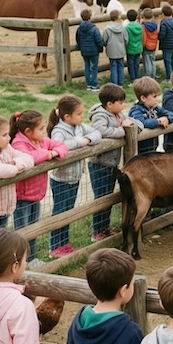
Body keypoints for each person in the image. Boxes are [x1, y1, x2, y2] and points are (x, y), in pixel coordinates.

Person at [10, 109, 68, 267]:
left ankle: (31, 258)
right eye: (41, 128)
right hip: (22, 196)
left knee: (33, 229)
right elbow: (29, 157)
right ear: (28, 131)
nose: (44, 131)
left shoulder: (41, 141)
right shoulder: (18, 143)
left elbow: (62, 145)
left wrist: (55, 152)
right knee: (22, 231)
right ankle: (20, 260)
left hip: (36, 194)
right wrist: (49, 154)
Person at [48, 95, 102, 258]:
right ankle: (55, 246)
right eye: (79, 114)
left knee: (68, 211)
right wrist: (81, 142)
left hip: (75, 177)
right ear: (67, 116)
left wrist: (87, 139)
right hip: (62, 179)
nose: (82, 116)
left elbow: (97, 133)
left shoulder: (78, 126)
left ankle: (64, 243)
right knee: (60, 212)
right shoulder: (59, 130)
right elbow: (60, 145)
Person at [88, 84, 136, 241]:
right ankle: (97, 231)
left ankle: (105, 227)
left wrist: (132, 126)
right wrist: (122, 131)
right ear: (109, 104)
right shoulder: (100, 116)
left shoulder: (118, 114)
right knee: (101, 197)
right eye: (120, 103)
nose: (123, 106)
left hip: (112, 164)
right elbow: (101, 131)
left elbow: (131, 122)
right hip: (100, 164)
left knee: (108, 197)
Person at [130, 76, 173, 155]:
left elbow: (171, 114)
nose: (157, 99)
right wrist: (158, 122)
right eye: (154, 96)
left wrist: (167, 119)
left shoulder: (155, 108)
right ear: (143, 98)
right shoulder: (136, 110)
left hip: (152, 148)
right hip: (140, 151)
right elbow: (142, 123)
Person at [76, 8, 104, 91]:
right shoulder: (94, 28)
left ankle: (88, 84)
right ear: (90, 17)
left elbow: (77, 39)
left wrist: (81, 47)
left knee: (87, 67)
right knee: (94, 67)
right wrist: (100, 48)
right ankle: (94, 84)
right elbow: (98, 40)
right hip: (93, 51)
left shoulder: (79, 29)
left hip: (84, 51)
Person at [102, 9, 128, 87]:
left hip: (111, 50)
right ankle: (121, 83)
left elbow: (104, 40)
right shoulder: (122, 28)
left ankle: (114, 84)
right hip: (120, 50)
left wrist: (106, 45)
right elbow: (126, 39)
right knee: (120, 67)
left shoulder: (107, 28)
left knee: (113, 67)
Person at [125, 9, 144, 84]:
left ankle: (133, 79)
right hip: (138, 48)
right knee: (136, 64)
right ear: (136, 17)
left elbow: (126, 39)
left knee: (131, 65)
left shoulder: (127, 27)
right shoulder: (140, 26)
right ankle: (137, 77)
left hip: (130, 48)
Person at [140, 7, 159, 79]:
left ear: (144, 17)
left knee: (147, 62)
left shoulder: (144, 26)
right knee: (152, 61)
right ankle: (153, 75)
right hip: (153, 45)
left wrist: (143, 46)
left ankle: (148, 76)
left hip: (147, 46)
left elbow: (144, 37)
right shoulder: (155, 25)